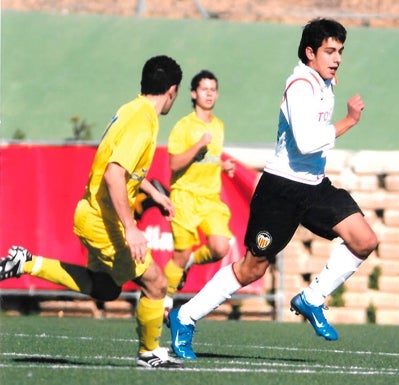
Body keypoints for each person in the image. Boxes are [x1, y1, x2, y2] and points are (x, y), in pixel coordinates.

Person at [168, 18, 378, 360]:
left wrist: (328, 82)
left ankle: (312, 298)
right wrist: (349, 120)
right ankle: (184, 316)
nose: (337, 58)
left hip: (314, 187)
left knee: (365, 239)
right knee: (253, 268)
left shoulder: (323, 80)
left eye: (340, 51)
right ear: (309, 52)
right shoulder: (299, 85)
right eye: (329, 51)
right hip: (281, 189)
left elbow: (315, 131)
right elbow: (307, 143)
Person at [0, 55, 184, 369]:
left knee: (106, 288)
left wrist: (154, 193)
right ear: (172, 91)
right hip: (104, 220)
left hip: (91, 213)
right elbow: (114, 174)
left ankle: (28, 262)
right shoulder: (143, 119)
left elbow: (124, 171)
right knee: (155, 283)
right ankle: (149, 352)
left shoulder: (130, 108)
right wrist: (131, 227)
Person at [163, 70, 236, 320]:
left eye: (213, 89)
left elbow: (211, 158)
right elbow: (174, 164)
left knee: (220, 247)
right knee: (179, 255)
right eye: (204, 89)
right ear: (193, 94)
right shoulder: (184, 126)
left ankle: (192, 261)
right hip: (184, 197)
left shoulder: (218, 125)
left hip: (209, 199)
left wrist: (222, 165)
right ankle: (166, 299)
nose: (209, 94)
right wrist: (197, 146)